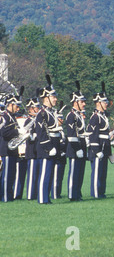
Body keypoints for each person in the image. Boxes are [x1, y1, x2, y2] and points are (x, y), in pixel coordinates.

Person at [35, 76, 62, 204]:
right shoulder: (42, 114)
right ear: (46, 98)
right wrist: (49, 147)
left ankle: (47, 198)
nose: (55, 99)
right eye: (53, 97)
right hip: (46, 149)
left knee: (50, 175)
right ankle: (42, 198)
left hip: (53, 147)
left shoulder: (51, 112)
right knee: (44, 175)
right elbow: (41, 134)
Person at [86, 82, 112, 199]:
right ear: (98, 103)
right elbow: (93, 135)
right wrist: (96, 150)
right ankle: (96, 193)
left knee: (103, 173)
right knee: (97, 173)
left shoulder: (103, 116)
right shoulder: (95, 117)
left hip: (104, 147)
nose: (106, 104)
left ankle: (101, 192)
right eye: (104, 102)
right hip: (97, 149)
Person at [65, 81, 88, 202]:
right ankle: (72, 195)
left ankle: (78, 194)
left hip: (81, 147)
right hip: (75, 149)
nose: (84, 104)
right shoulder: (71, 116)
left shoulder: (79, 115)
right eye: (82, 102)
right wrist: (78, 149)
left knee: (80, 174)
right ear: (75, 102)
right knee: (74, 173)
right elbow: (71, 135)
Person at [0, 89, 23, 202]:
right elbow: (4, 132)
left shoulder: (12, 117)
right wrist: (18, 132)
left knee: (12, 175)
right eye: (16, 106)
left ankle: (9, 196)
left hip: (13, 150)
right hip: (6, 150)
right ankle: (4, 197)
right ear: (10, 105)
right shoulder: (4, 116)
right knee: (6, 176)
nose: (18, 109)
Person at [24, 95, 41, 200]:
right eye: (36, 107)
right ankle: (30, 195)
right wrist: (32, 135)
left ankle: (36, 194)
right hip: (31, 150)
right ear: (31, 109)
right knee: (31, 175)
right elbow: (27, 134)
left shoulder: (37, 119)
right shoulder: (28, 121)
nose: (38, 109)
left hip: (37, 150)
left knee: (37, 174)